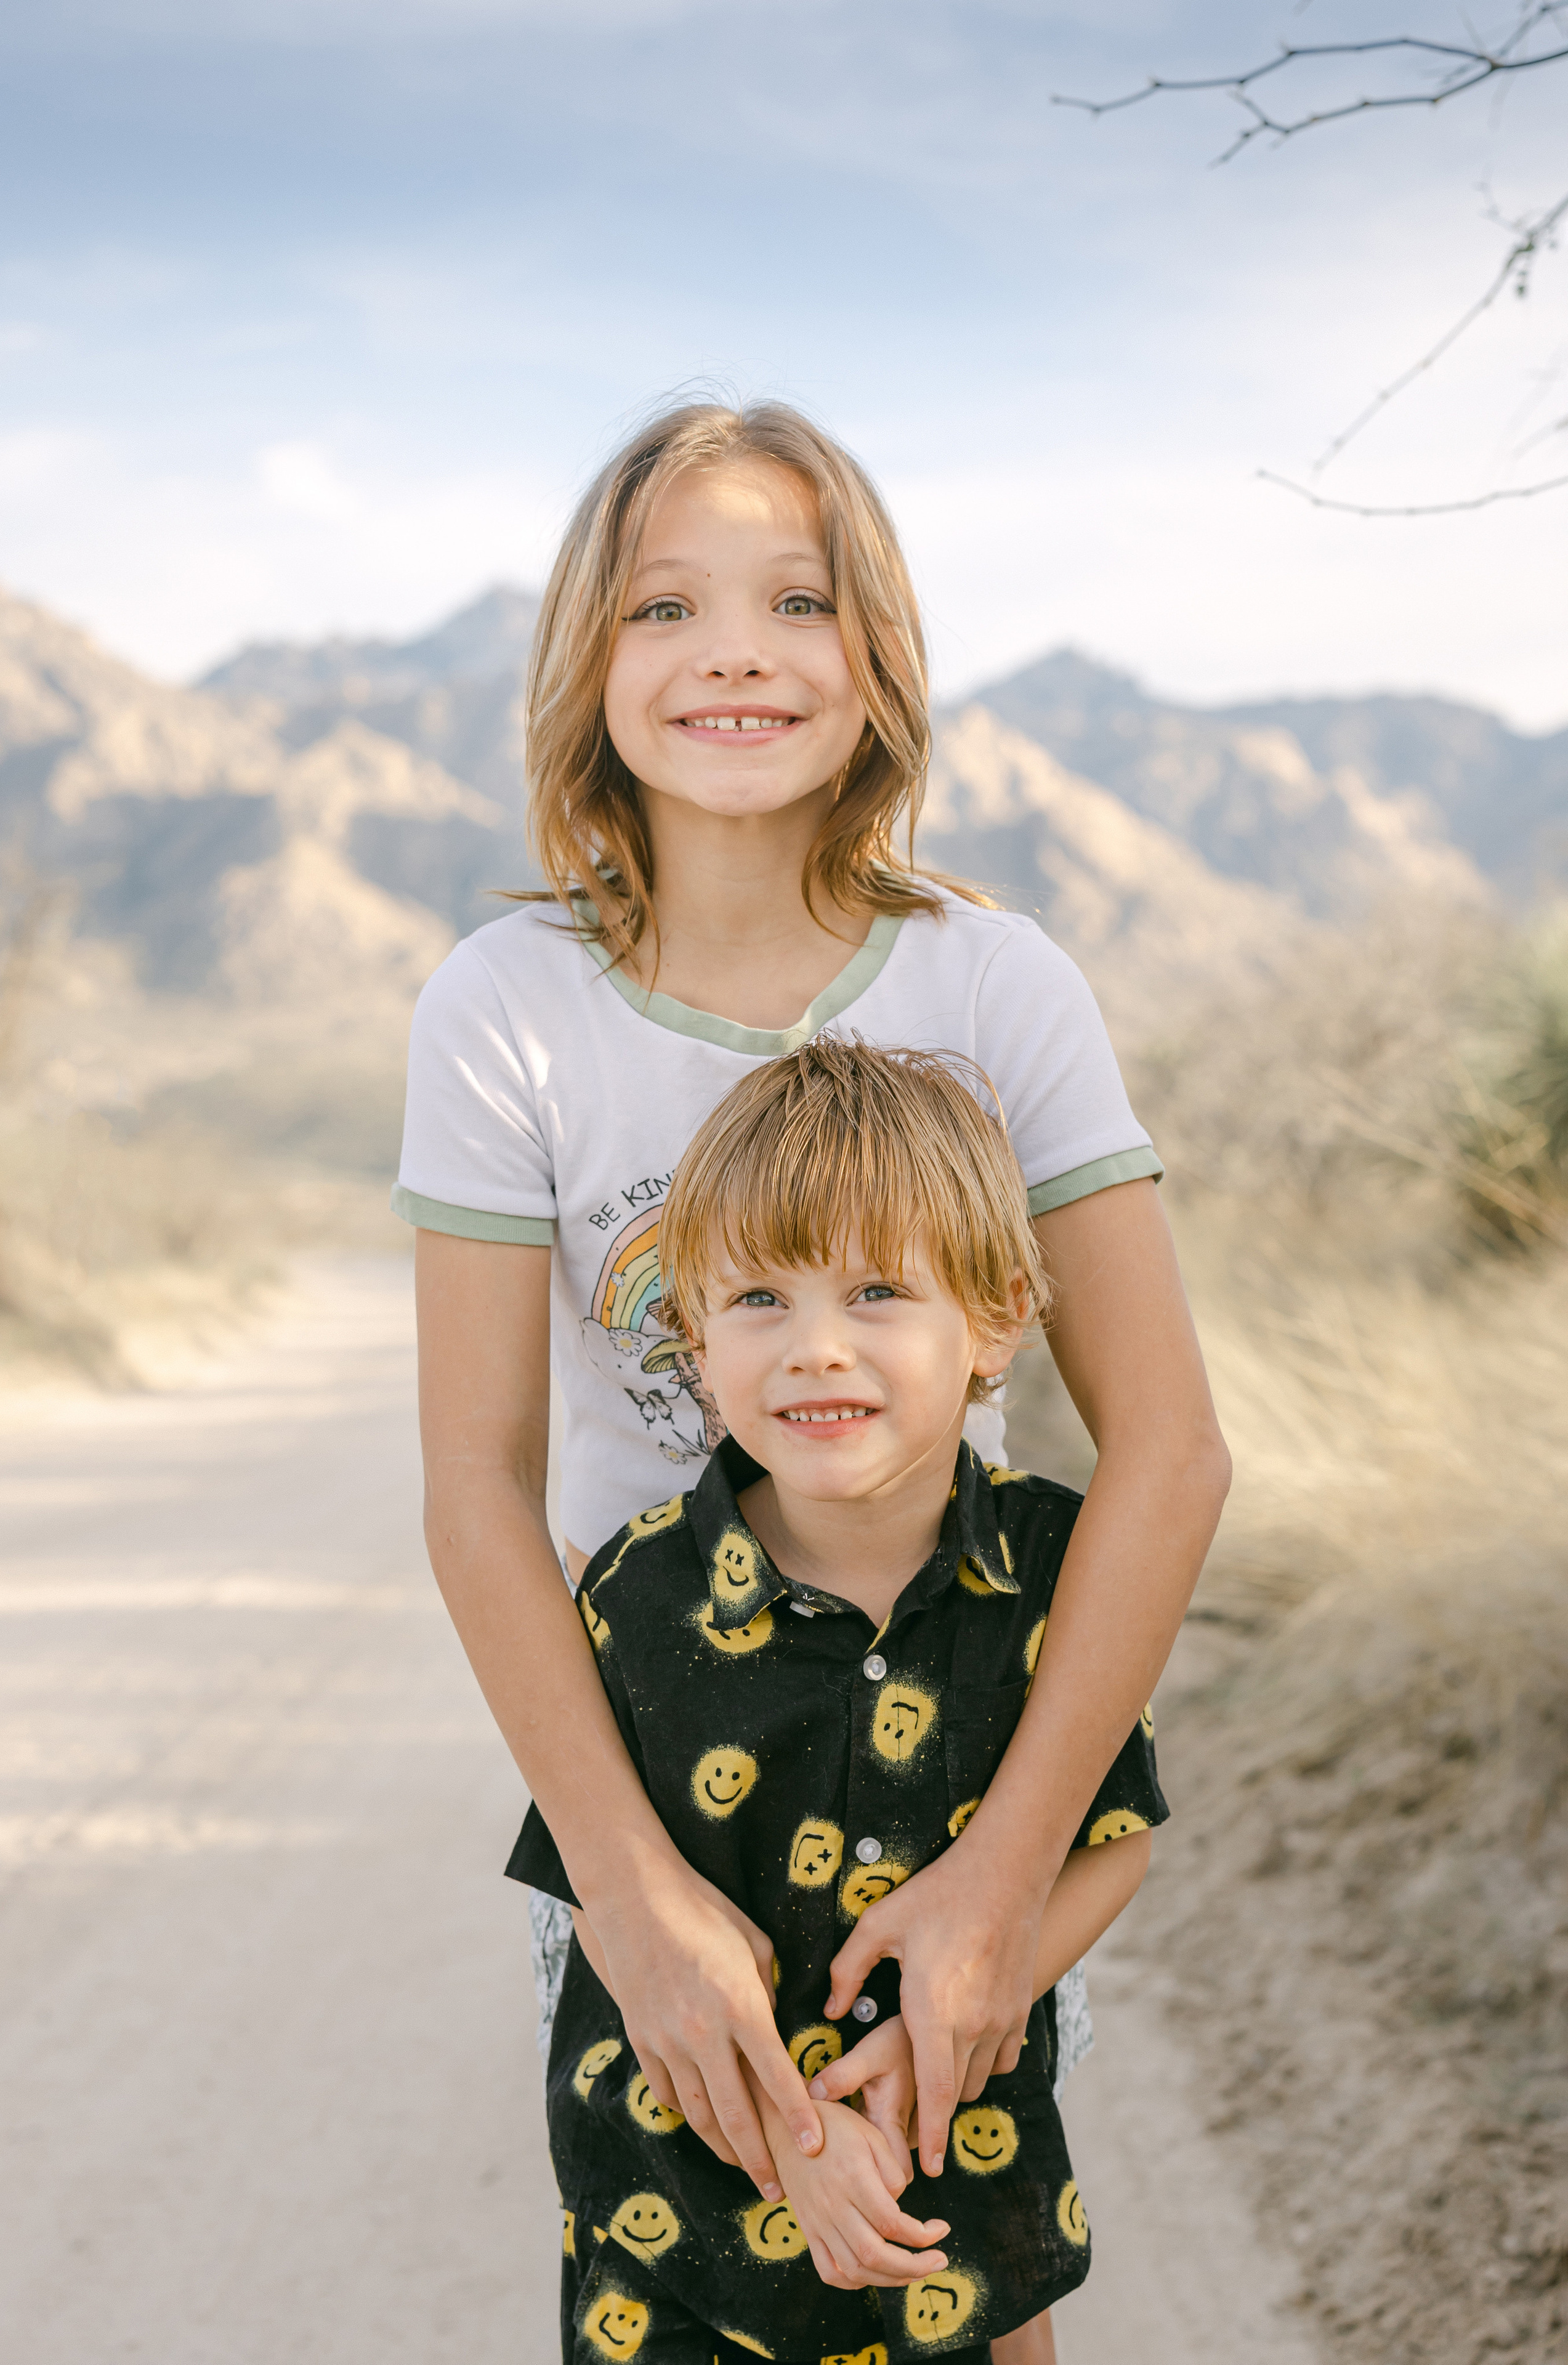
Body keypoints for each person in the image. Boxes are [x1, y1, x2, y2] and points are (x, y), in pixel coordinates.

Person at [398, 398, 1228, 2220]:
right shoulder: (507, 1007)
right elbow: (474, 1480)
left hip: (955, 1803)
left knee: (963, 2271)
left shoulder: (994, 983)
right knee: (681, 2285)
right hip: (653, 1803)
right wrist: (626, 1895)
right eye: (662, 609)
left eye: (797, 599)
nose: (735, 656)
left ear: (876, 654)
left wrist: (1001, 1887)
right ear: (588, 660)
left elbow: (1168, 1450)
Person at [509, 1038, 1166, 2363]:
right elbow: (602, 1899)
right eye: (756, 1299)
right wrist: (798, 2140)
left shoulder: (1047, 1572)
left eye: (875, 1291)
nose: (815, 1350)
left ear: (990, 1320)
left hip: (951, 2165)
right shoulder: (639, 1595)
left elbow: (1113, 1835)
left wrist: (934, 2042)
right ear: (693, 1344)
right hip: (685, 2212)